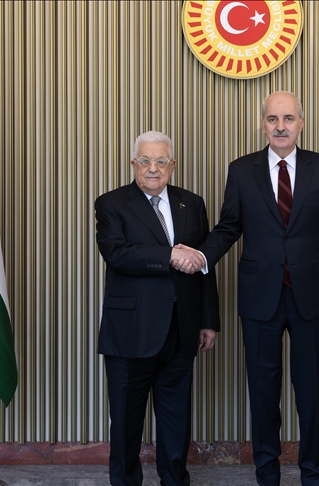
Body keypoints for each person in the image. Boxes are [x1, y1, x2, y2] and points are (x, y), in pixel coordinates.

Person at [176, 91, 319, 485]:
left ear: (301, 123)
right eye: (273, 119)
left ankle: (313, 475)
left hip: (312, 299)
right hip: (260, 300)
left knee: (312, 394)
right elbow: (228, 227)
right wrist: (201, 256)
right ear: (262, 124)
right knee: (262, 394)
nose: (280, 126)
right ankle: (267, 476)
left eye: (288, 119)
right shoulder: (242, 170)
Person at [94, 130, 219, 486]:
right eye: (145, 160)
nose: (153, 168)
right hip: (130, 334)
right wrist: (169, 256)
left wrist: (209, 320)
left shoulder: (192, 203)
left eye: (161, 160)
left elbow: (204, 266)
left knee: (176, 424)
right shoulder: (111, 203)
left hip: (181, 331)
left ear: (172, 165)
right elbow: (116, 253)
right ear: (133, 164)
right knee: (126, 426)